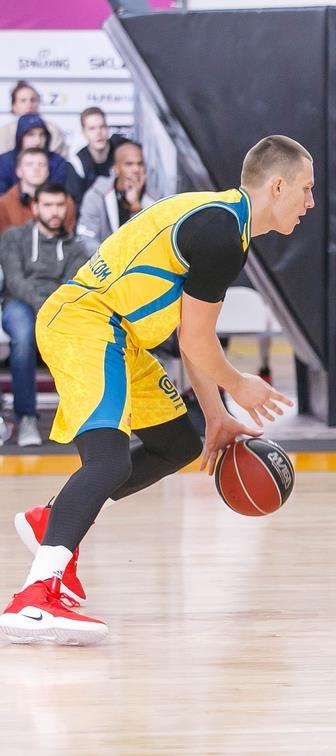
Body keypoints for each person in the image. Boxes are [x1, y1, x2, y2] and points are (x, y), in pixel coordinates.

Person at [0, 135, 313, 645]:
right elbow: (196, 340)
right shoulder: (221, 232)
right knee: (108, 463)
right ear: (277, 185)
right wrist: (239, 384)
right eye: (306, 188)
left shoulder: (222, 220)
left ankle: (51, 522)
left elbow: (193, 339)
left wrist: (216, 415)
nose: (310, 202)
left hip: (120, 335)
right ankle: (35, 597)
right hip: (87, 323)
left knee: (179, 444)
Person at [0, 183, 90, 446]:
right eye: (48, 205)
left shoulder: (76, 247)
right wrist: (45, 306)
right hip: (20, 304)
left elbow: (71, 285)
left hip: (61, 306)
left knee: (84, 337)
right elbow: (15, 281)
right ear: (35, 207)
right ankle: (26, 417)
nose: (54, 211)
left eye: (60, 205)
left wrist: (52, 308)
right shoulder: (14, 237)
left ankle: (79, 416)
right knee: (23, 336)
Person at [77, 141, 156, 249]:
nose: (136, 169)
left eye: (140, 164)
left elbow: (152, 241)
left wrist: (135, 207)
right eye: (129, 164)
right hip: (104, 257)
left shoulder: (155, 198)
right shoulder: (96, 195)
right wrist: (109, 257)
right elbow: (86, 240)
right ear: (116, 168)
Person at [0, 148, 76, 235]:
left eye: (41, 164)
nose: (36, 169)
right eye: (29, 164)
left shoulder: (65, 201)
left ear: (48, 171)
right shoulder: (4, 204)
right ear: (19, 171)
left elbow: (67, 238)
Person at [0, 114, 70, 195]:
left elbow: (59, 194)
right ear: (20, 137)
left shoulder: (58, 162)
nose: (37, 141)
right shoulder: (4, 162)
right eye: (31, 135)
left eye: (42, 135)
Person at [68, 107, 126, 199]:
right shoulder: (77, 163)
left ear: (107, 128)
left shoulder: (123, 151)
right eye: (92, 128)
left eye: (102, 127)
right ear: (83, 132)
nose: (98, 133)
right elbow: (76, 201)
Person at [0, 81, 66, 158]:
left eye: (33, 100)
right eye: (23, 100)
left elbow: (58, 160)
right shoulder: (4, 132)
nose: (29, 104)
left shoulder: (52, 129)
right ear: (14, 106)